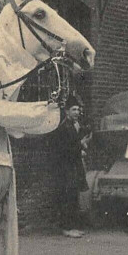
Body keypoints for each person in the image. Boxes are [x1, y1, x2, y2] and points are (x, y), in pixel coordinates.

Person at [52, 95, 92, 238]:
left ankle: (72, 226)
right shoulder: (64, 127)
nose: (77, 112)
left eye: (78, 109)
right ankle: (66, 228)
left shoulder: (74, 126)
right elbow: (64, 149)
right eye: (74, 109)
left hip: (73, 167)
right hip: (66, 168)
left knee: (73, 196)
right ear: (67, 111)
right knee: (67, 197)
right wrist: (80, 145)